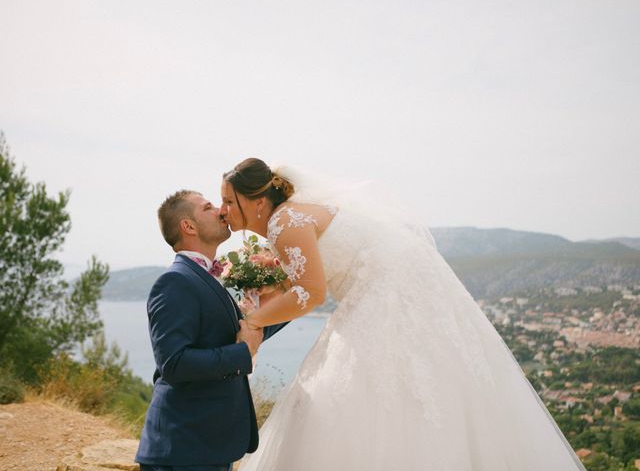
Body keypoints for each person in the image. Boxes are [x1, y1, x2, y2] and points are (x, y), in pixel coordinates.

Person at [219, 158, 587, 471]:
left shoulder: (285, 223)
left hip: (385, 291)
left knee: (368, 388)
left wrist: (252, 322)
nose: (223, 211)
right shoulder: (286, 220)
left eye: (228, 201)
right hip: (396, 281)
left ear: (255, 201)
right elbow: (304, 282)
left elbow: (310, 293)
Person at [135, 190, 287, 471]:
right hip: (184, 448)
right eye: (207, 207)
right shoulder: (175, 281)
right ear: (188, 226)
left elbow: (246, 332)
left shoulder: (209, 277)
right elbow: (174, 363)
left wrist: (295, 297)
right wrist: (243, 352)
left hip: (207, 446)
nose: (220, 210)